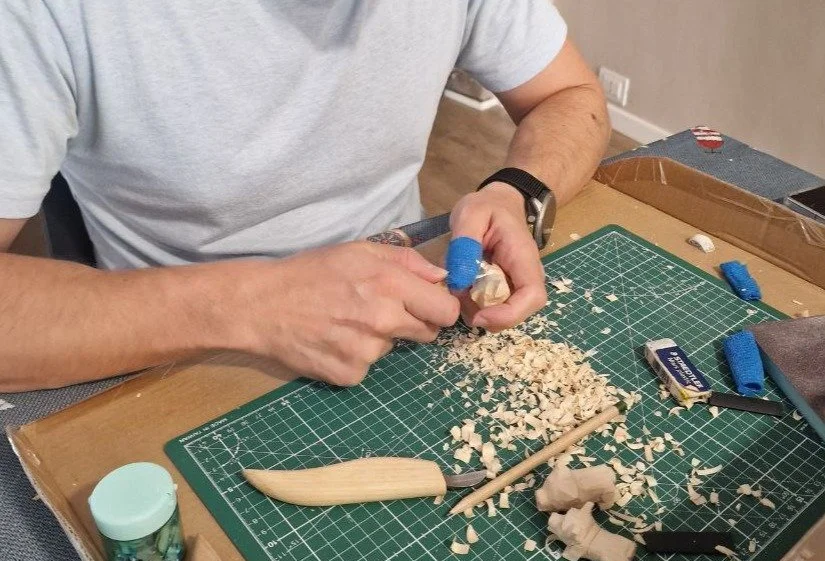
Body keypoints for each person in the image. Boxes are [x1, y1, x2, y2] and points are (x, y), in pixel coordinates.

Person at [0, 0, 609, 392]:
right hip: (178, 353)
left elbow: (569, 97)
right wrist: (249, 304)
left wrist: (518, 189)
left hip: (406, 308)